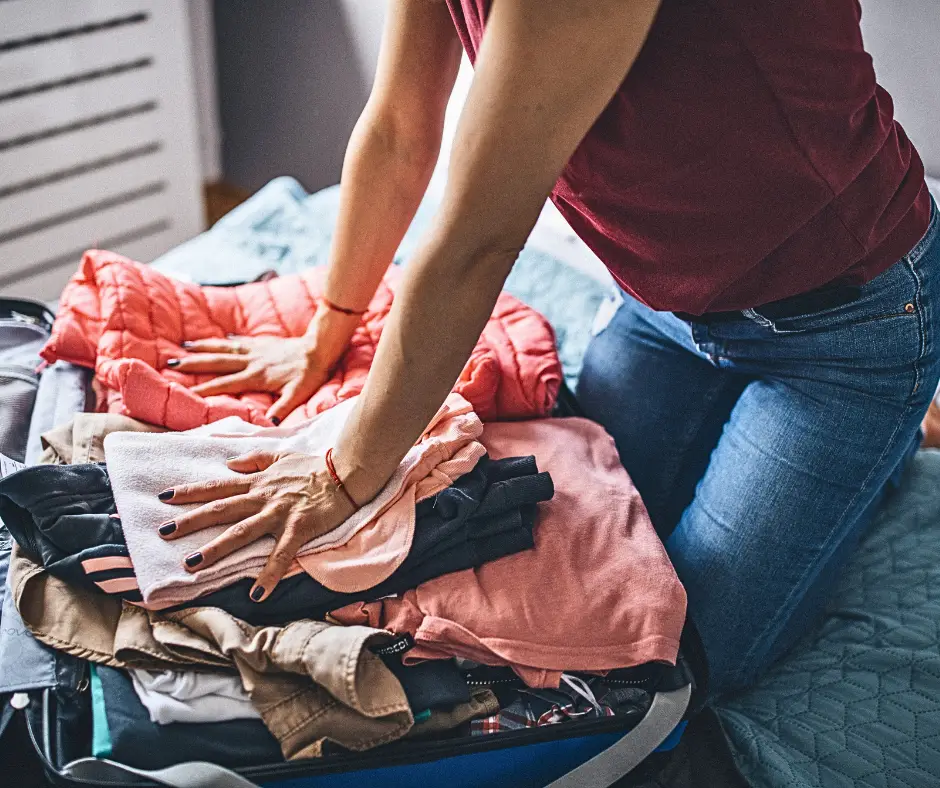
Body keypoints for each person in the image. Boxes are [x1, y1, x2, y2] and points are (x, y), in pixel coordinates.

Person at [156, 0, 940, 696]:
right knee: (567, 548)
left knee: (676, 651)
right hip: (662, 306)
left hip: (839, 329)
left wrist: (341, 476)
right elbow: (399, 126)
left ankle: (895, 428)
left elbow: (477, 239)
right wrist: (330, 326)